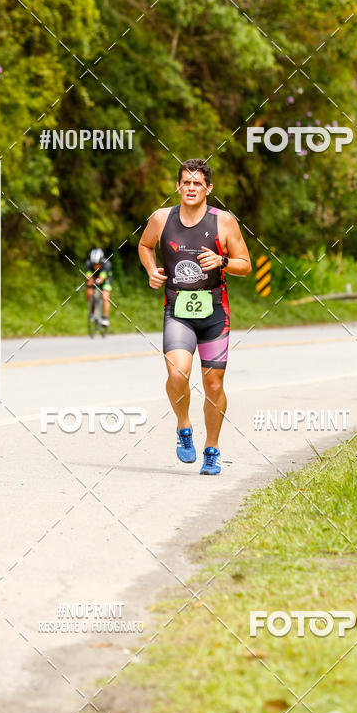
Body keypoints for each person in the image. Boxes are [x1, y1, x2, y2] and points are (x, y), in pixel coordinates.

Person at [138, 158, 251, 475]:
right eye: (185, 182)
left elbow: (245, 264)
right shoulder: (162, 219)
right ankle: (184, 426)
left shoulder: (224, 222)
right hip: (177, 310)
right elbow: (145, 246)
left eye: (197, 183)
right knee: (177, 375)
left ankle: (212, 449)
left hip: (215, 311)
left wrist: (222, 260)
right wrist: (151, 270)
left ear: (208, 188)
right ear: (177, 186)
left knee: (213, 385)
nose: (190, 188)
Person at [84, 247, 113, 327]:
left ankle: (105, 318)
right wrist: (90, 280)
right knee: (89, 293)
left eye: (97, 264)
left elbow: (102, 278)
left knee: (105, 297)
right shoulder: (88, 264)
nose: (96, 266)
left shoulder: (107, 264)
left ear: (101, 261)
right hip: (94, 277)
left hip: (106, 279)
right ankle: (92, 311)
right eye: (94, 264)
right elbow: (88, 275)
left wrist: (98, 281)